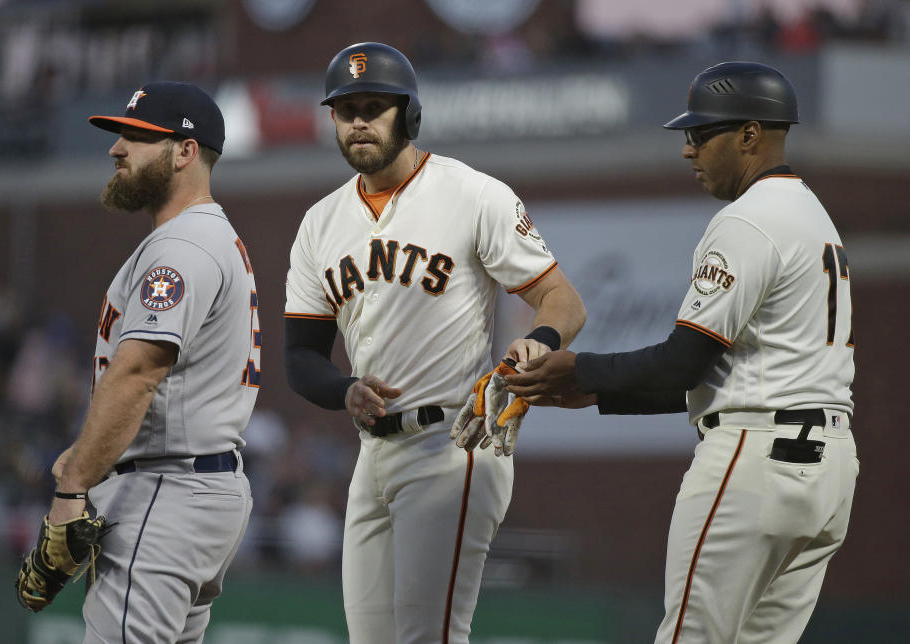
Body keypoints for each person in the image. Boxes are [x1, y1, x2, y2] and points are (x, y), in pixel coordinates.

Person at [506, 61, 858, 643]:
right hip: (827, 470)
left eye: (700, 134)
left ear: (749, 134)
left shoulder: (748, 219)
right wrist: (596, 391)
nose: (688, 150)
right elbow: (726, 372)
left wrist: (581, 366)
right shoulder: (813, 216)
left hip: (754, 460)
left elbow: (681, 361)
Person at [284, 42, 585, 644]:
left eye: (376, 106)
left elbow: (563, 302)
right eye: (347, 109)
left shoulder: (473, 195)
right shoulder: (320, 223)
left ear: (410, 116)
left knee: (429, 637)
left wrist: (540, 340)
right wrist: (343, 390)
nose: (360, 121)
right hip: (372, 456)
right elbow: (300, 356)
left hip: (453, 443)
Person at [38, 81, 259, 642]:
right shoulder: (209, 238)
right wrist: (91, 454)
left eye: (138, 137)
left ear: (185, 151)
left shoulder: (182, 247)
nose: (117, 149)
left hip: (167, 494)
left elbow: (138, 375)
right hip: (193, 485)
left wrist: (71, 492)